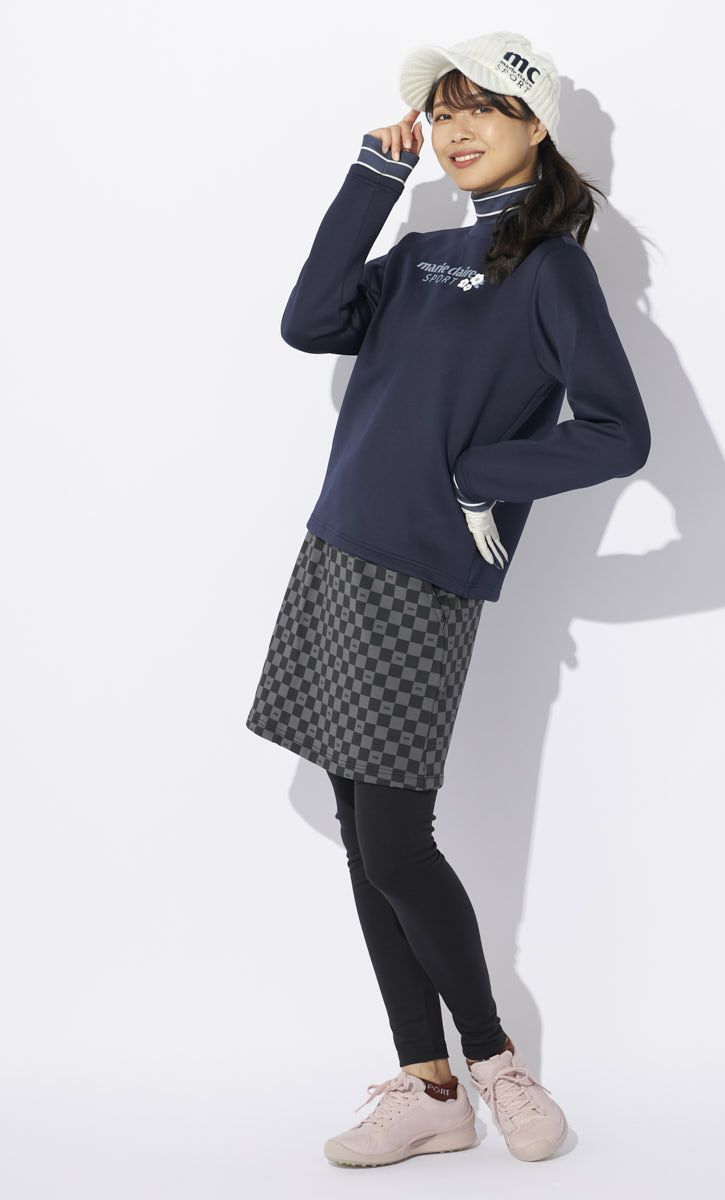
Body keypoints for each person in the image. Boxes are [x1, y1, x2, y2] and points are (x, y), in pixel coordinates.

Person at [245, 30, 650, 1169]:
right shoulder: (419, 251)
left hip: (425, 571)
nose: (457, 129)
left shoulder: (553, 270)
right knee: (363, 838)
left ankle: (494, 1061)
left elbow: (619, 431)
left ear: (535, 127)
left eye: (482, 108)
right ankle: (427, 1087)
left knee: (394, 840)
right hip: (336, 551)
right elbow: (309, 322)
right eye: (442, 110)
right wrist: (370, 181)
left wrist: (482, 474)